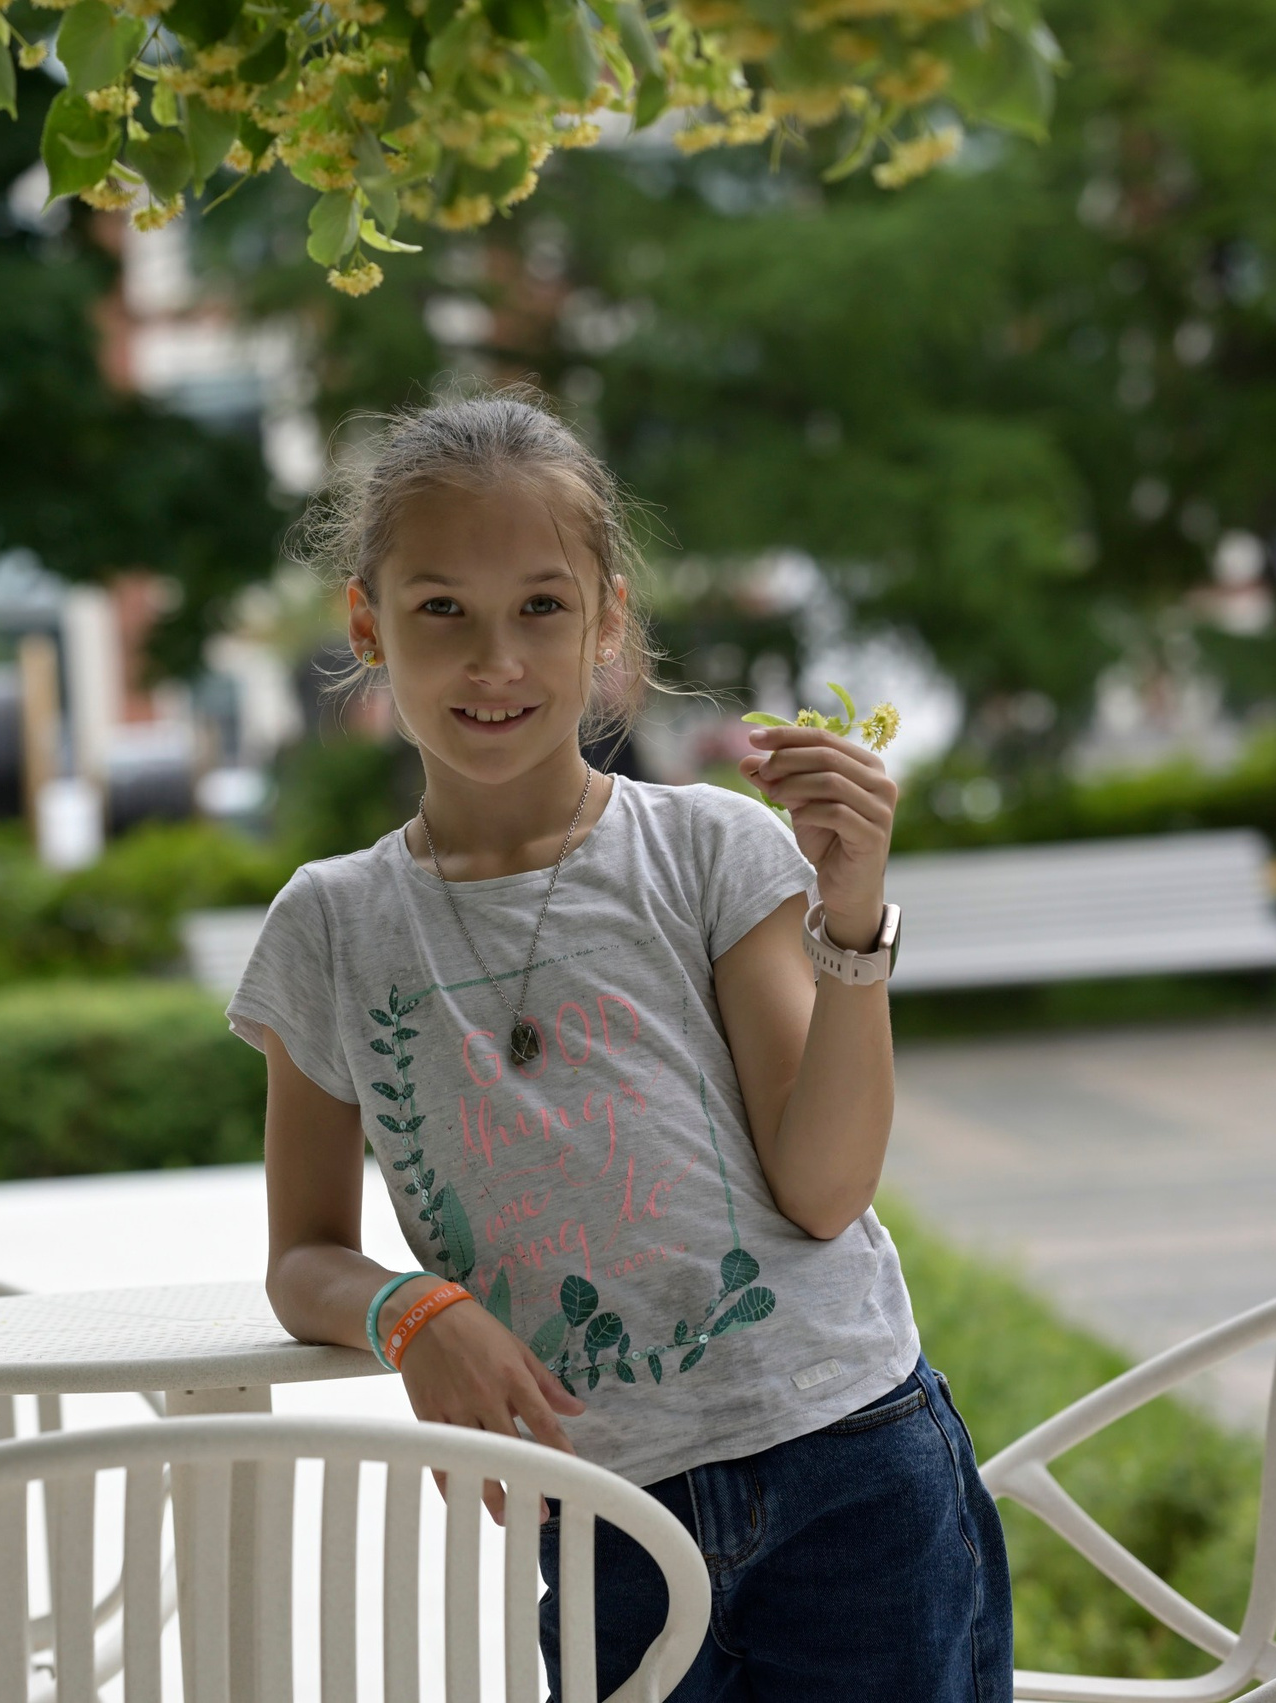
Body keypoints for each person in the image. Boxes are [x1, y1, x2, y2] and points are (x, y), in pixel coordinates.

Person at [230, 389, 1010, 1701]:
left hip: (851, 1467)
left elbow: (823, 1193)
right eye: (443, 612)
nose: (498, 662)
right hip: (601, 1520)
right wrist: (411, 1311)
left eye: (542, 607)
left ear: (608, 622)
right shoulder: (333, 930)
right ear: (367, 623)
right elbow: (301, 1254)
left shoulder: (711, 848)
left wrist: (856, 918)